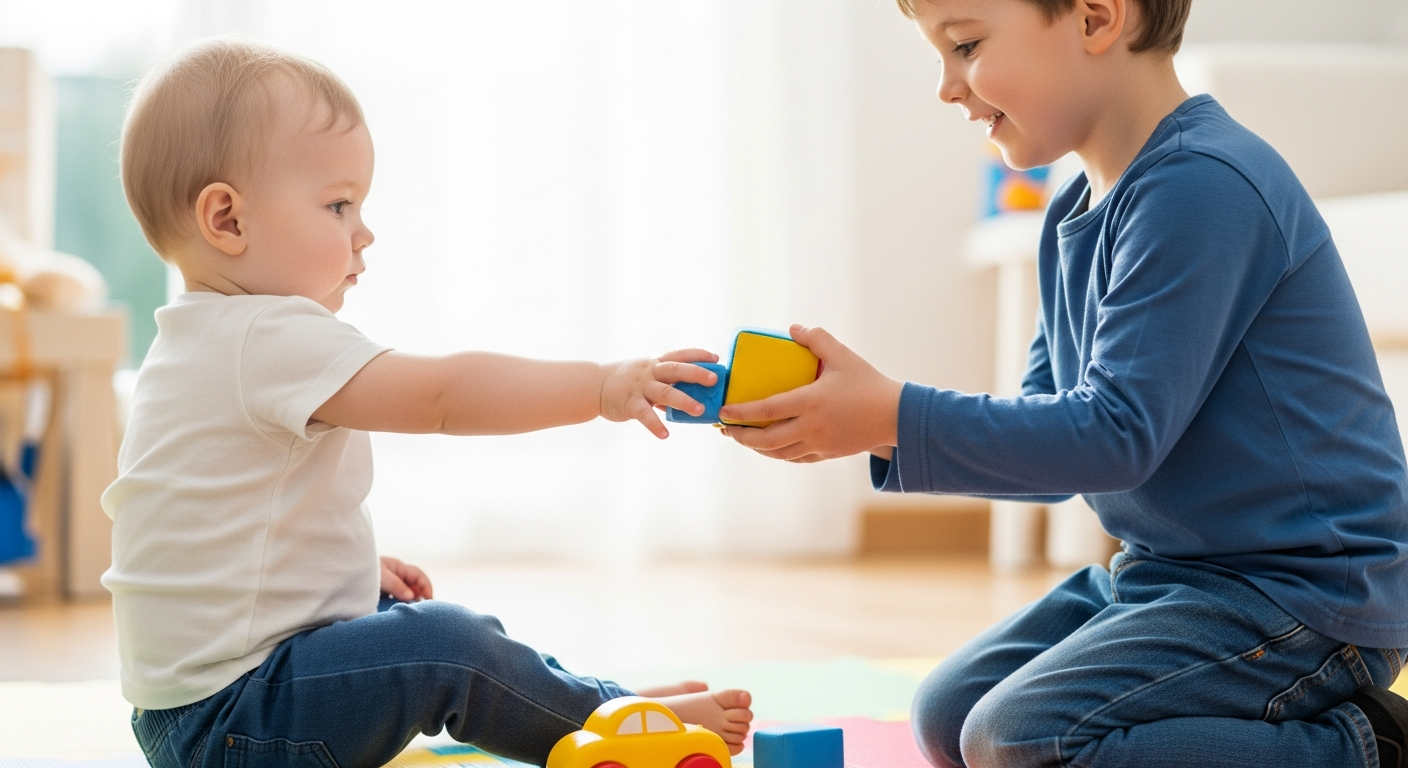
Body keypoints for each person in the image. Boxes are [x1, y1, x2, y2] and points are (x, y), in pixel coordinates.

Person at [717, 0, 1408, 766]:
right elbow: (1054, 433)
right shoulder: (1072, 208)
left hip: (1304, 594)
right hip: (1168, 575)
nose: (947, 87)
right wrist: (875, 420)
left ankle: (1361, 745)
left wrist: (893, 414)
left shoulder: (1203, 187)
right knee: (947, 715)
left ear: (1094, 19)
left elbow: (1114, 437)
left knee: (1015, 737)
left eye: (967, 46)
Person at [105, 39, 752, 768]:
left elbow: (213, 532)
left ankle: (599, 704)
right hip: (238, 725)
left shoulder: (191, 341)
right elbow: (444, 396)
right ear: (227, 219)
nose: (364, 231)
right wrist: (601, 387)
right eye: (338, 204)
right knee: (446, 643)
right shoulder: (268, 335)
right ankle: (609, 723)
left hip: (188, 720)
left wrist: (343, 568)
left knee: (405, 620)